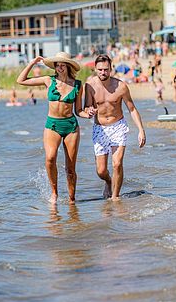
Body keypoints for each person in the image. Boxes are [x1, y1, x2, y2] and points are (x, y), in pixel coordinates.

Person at [17, 52, 93, 205]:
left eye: (63, 64)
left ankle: (72, 199)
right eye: (57, 65)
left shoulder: (77, 84)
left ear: (69, 66)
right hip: (52, 125)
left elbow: (78, 111)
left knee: (70, 168)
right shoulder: (48, 80)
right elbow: (21, 80)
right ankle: (54, 193)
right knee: (50, 158)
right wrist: (32, 63)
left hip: (71, 126)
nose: (60, 67)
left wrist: (88, 114)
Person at [84, 54, 146, 201]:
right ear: (95, 69)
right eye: (99, 70)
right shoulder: (90, 86)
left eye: (106, 69)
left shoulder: (121, 86)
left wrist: (141, 130)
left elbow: (132, 109)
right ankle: (108, 180)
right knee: (101, 171)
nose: (103, 73)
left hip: (118, 127)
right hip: (100, 129)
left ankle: (115, 197)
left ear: (111, 68)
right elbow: (87, 106)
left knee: (117, 164)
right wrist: (89, 110)